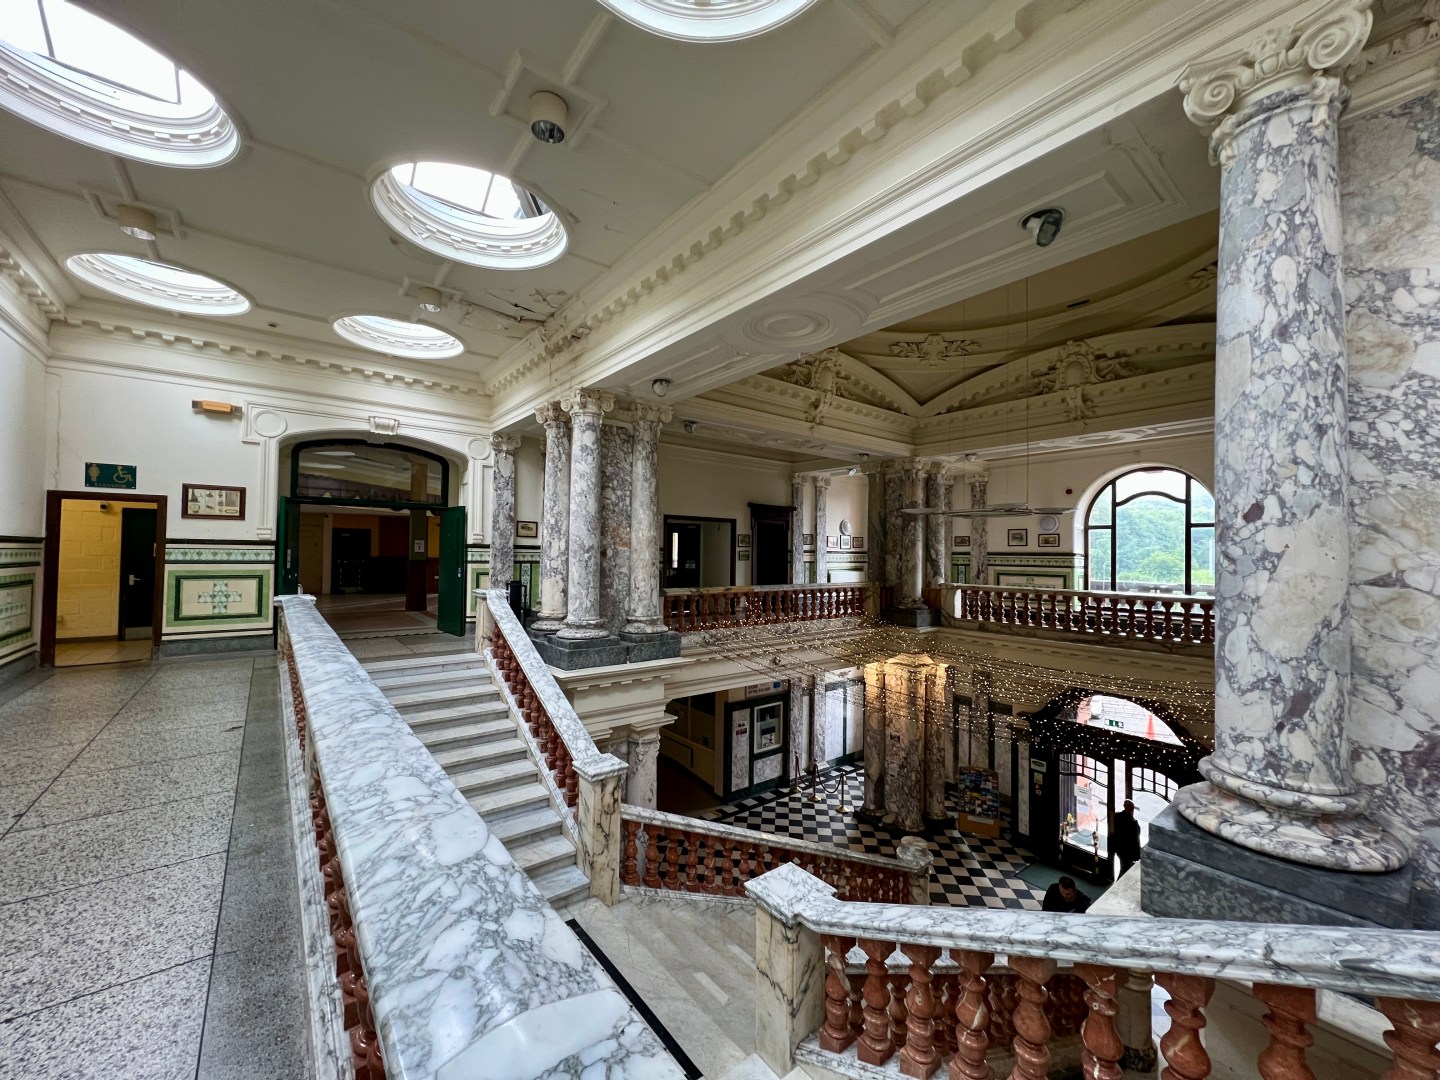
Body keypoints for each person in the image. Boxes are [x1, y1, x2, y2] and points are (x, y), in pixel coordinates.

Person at [1113, 799, 1142, 877]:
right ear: (1132, 809)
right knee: (1124, 869)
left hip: (1119, 849)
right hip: (1128, 851)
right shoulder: (1133, 823)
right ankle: (1119, 883)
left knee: (1123, 867)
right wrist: (1138, 853)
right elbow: (1136, 839)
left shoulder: (1116, 816)